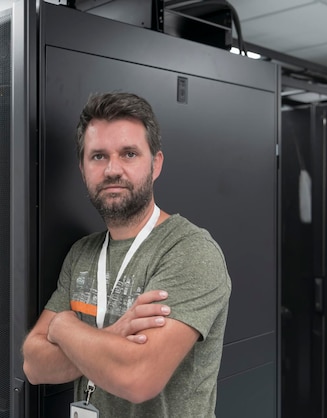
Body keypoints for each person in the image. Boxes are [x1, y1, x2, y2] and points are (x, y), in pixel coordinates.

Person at [22, 92, 231, 417]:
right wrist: (110, 338)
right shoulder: (82, 253)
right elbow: (33, 363)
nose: (112, 169)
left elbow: (137, 377)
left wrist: (63, 327)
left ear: (155, 164)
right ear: (82, 168)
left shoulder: (189, 251)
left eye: (129, 154)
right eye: (98, 156)